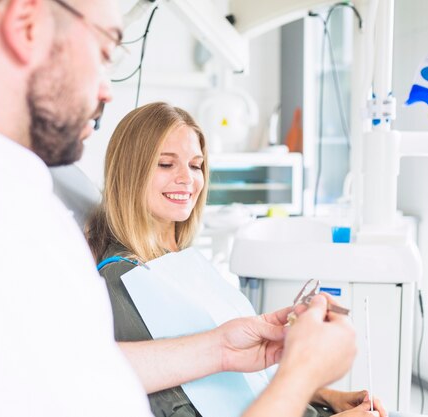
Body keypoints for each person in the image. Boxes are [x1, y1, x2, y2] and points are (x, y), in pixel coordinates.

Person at [0, 1, 356, 416]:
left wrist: (221, 349)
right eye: (104, 50)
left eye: (195, 165)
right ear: (27, 25)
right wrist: (300, 373)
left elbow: (76, 367)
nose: (106, 91)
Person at [87, 102, 386, 417]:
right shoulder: (125, 279)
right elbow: (180, 408)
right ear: (130, 171)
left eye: (195, 165)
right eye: (165, 164)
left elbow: (235, 378)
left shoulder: (180, 261)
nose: (187, 179)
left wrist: (326, 396)